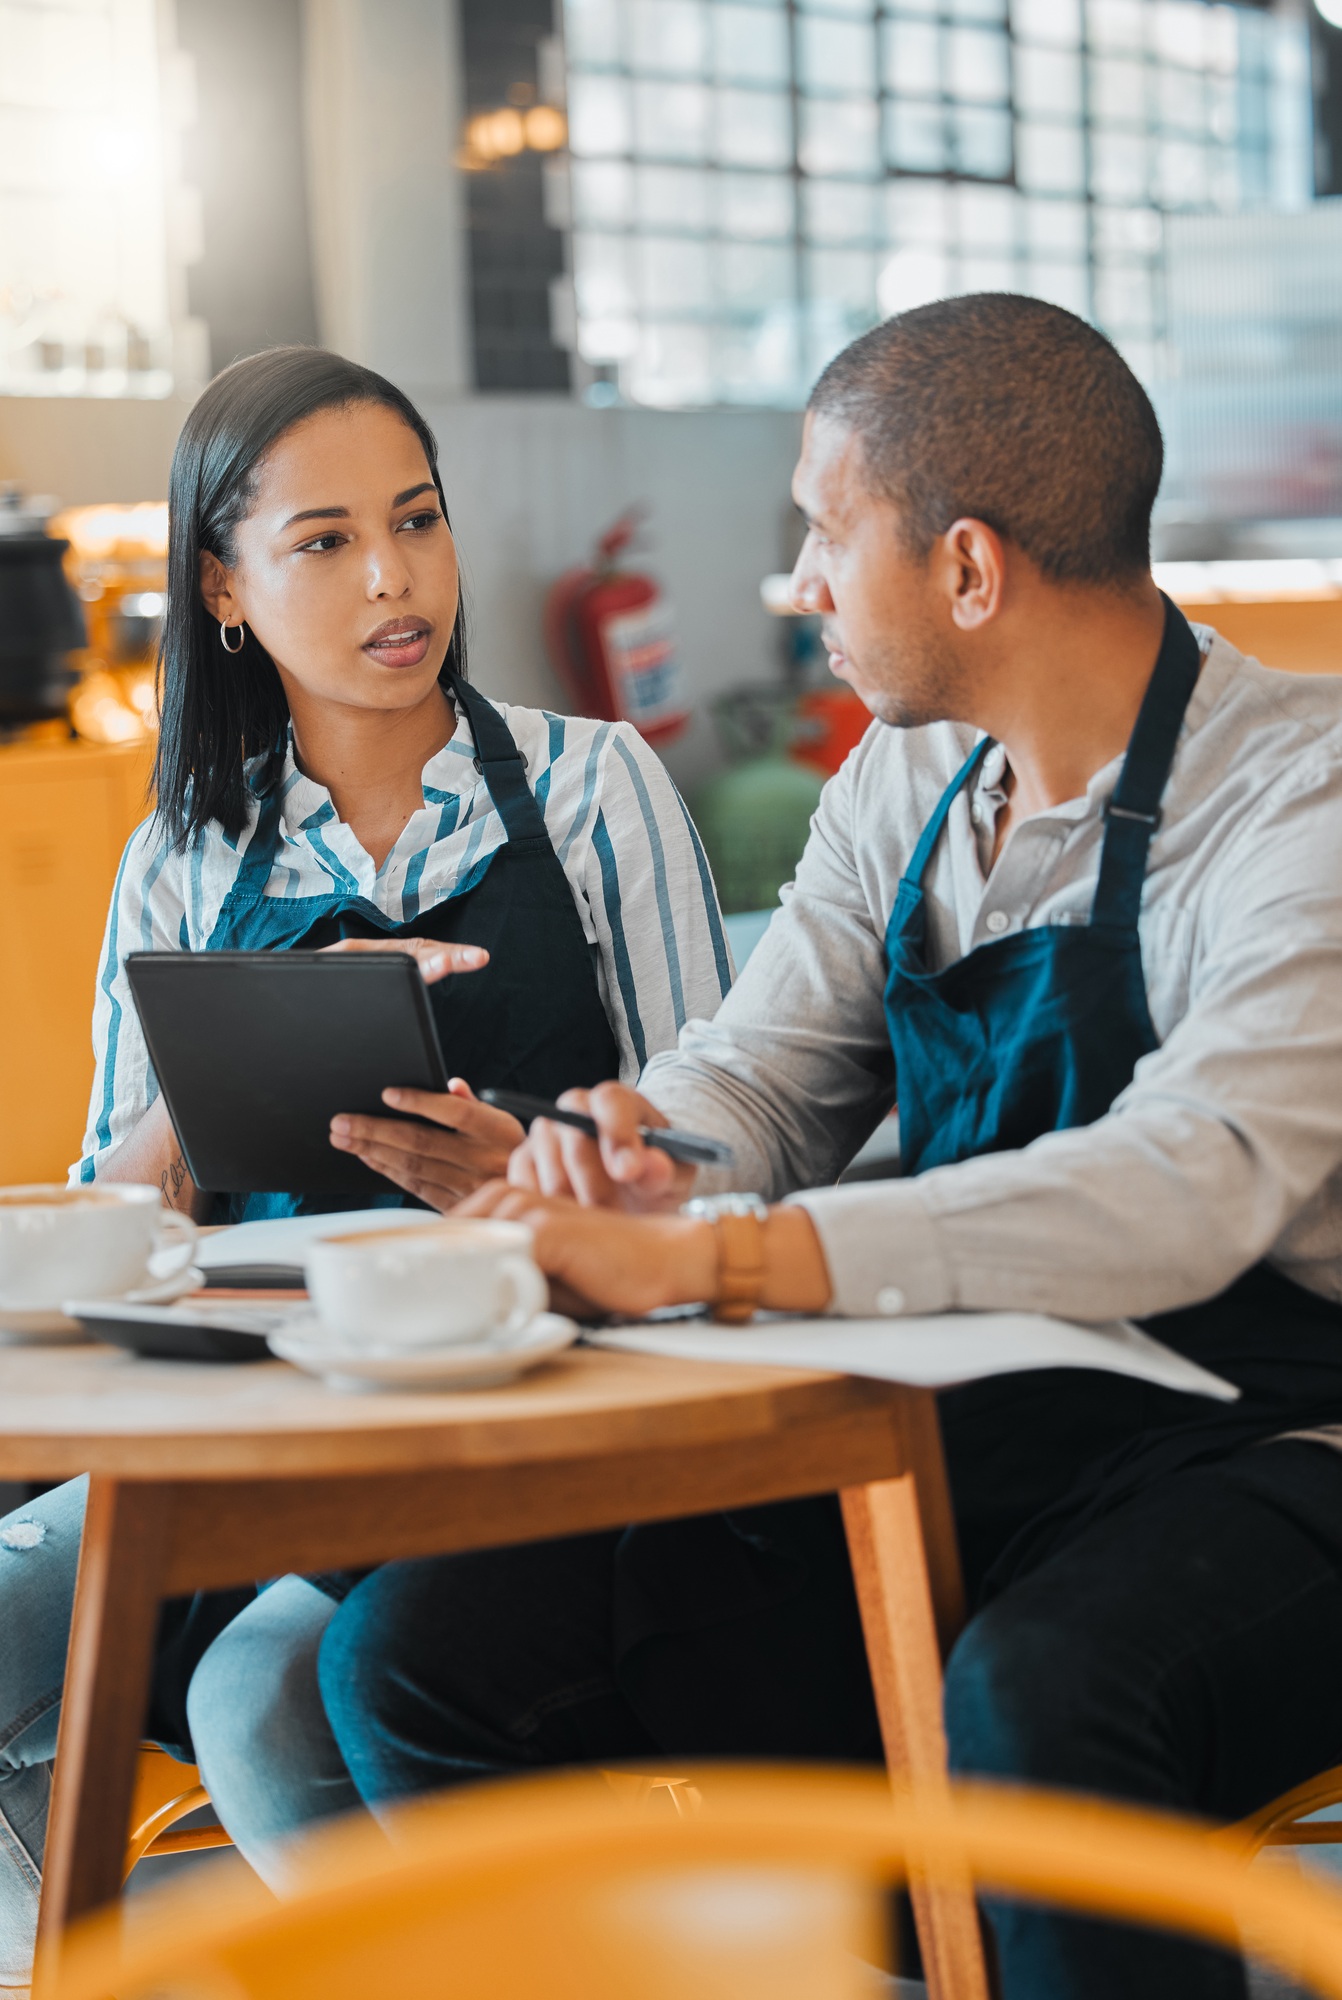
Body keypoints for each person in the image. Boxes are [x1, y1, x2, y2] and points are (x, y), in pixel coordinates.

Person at [313, 298, 1342, 2000]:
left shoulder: (1296, 795)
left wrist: (720, 1256)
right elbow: (771, 1074)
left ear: (964, 569)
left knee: (1037, 1705)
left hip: (1273, 1443)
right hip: (978, 1417)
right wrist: (630, 1143)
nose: (795, 580)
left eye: (820, 528)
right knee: (423, 1656)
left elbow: (1196, 1171)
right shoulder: (911, 780)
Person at [0, 347, 731, 1992]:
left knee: (256, 1701)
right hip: (259, 1412)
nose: (394, 579)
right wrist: (214, 1078)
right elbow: (120, 1222)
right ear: (225, 588)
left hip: (529, 1406)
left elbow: (717, 1150)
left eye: (416, 520)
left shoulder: (593, 789)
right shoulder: (185, 854)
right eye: (323, 540)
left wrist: (531, 1178)